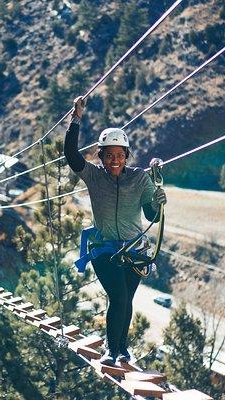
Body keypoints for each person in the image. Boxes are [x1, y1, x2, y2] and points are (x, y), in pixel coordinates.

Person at [64, 97, 167, 366]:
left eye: (120, 155)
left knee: (126, 300)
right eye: (109, 155)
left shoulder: (140, 178)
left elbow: (151, 216)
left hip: (135, 251)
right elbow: (71, 155)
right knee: (118, 296)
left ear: (127, 156)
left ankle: (122, 349)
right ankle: (112, 350)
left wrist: (158, 202)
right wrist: (76, 118)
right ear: (101, 157)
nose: (115, 160)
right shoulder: (94, 176)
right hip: (105, 249)